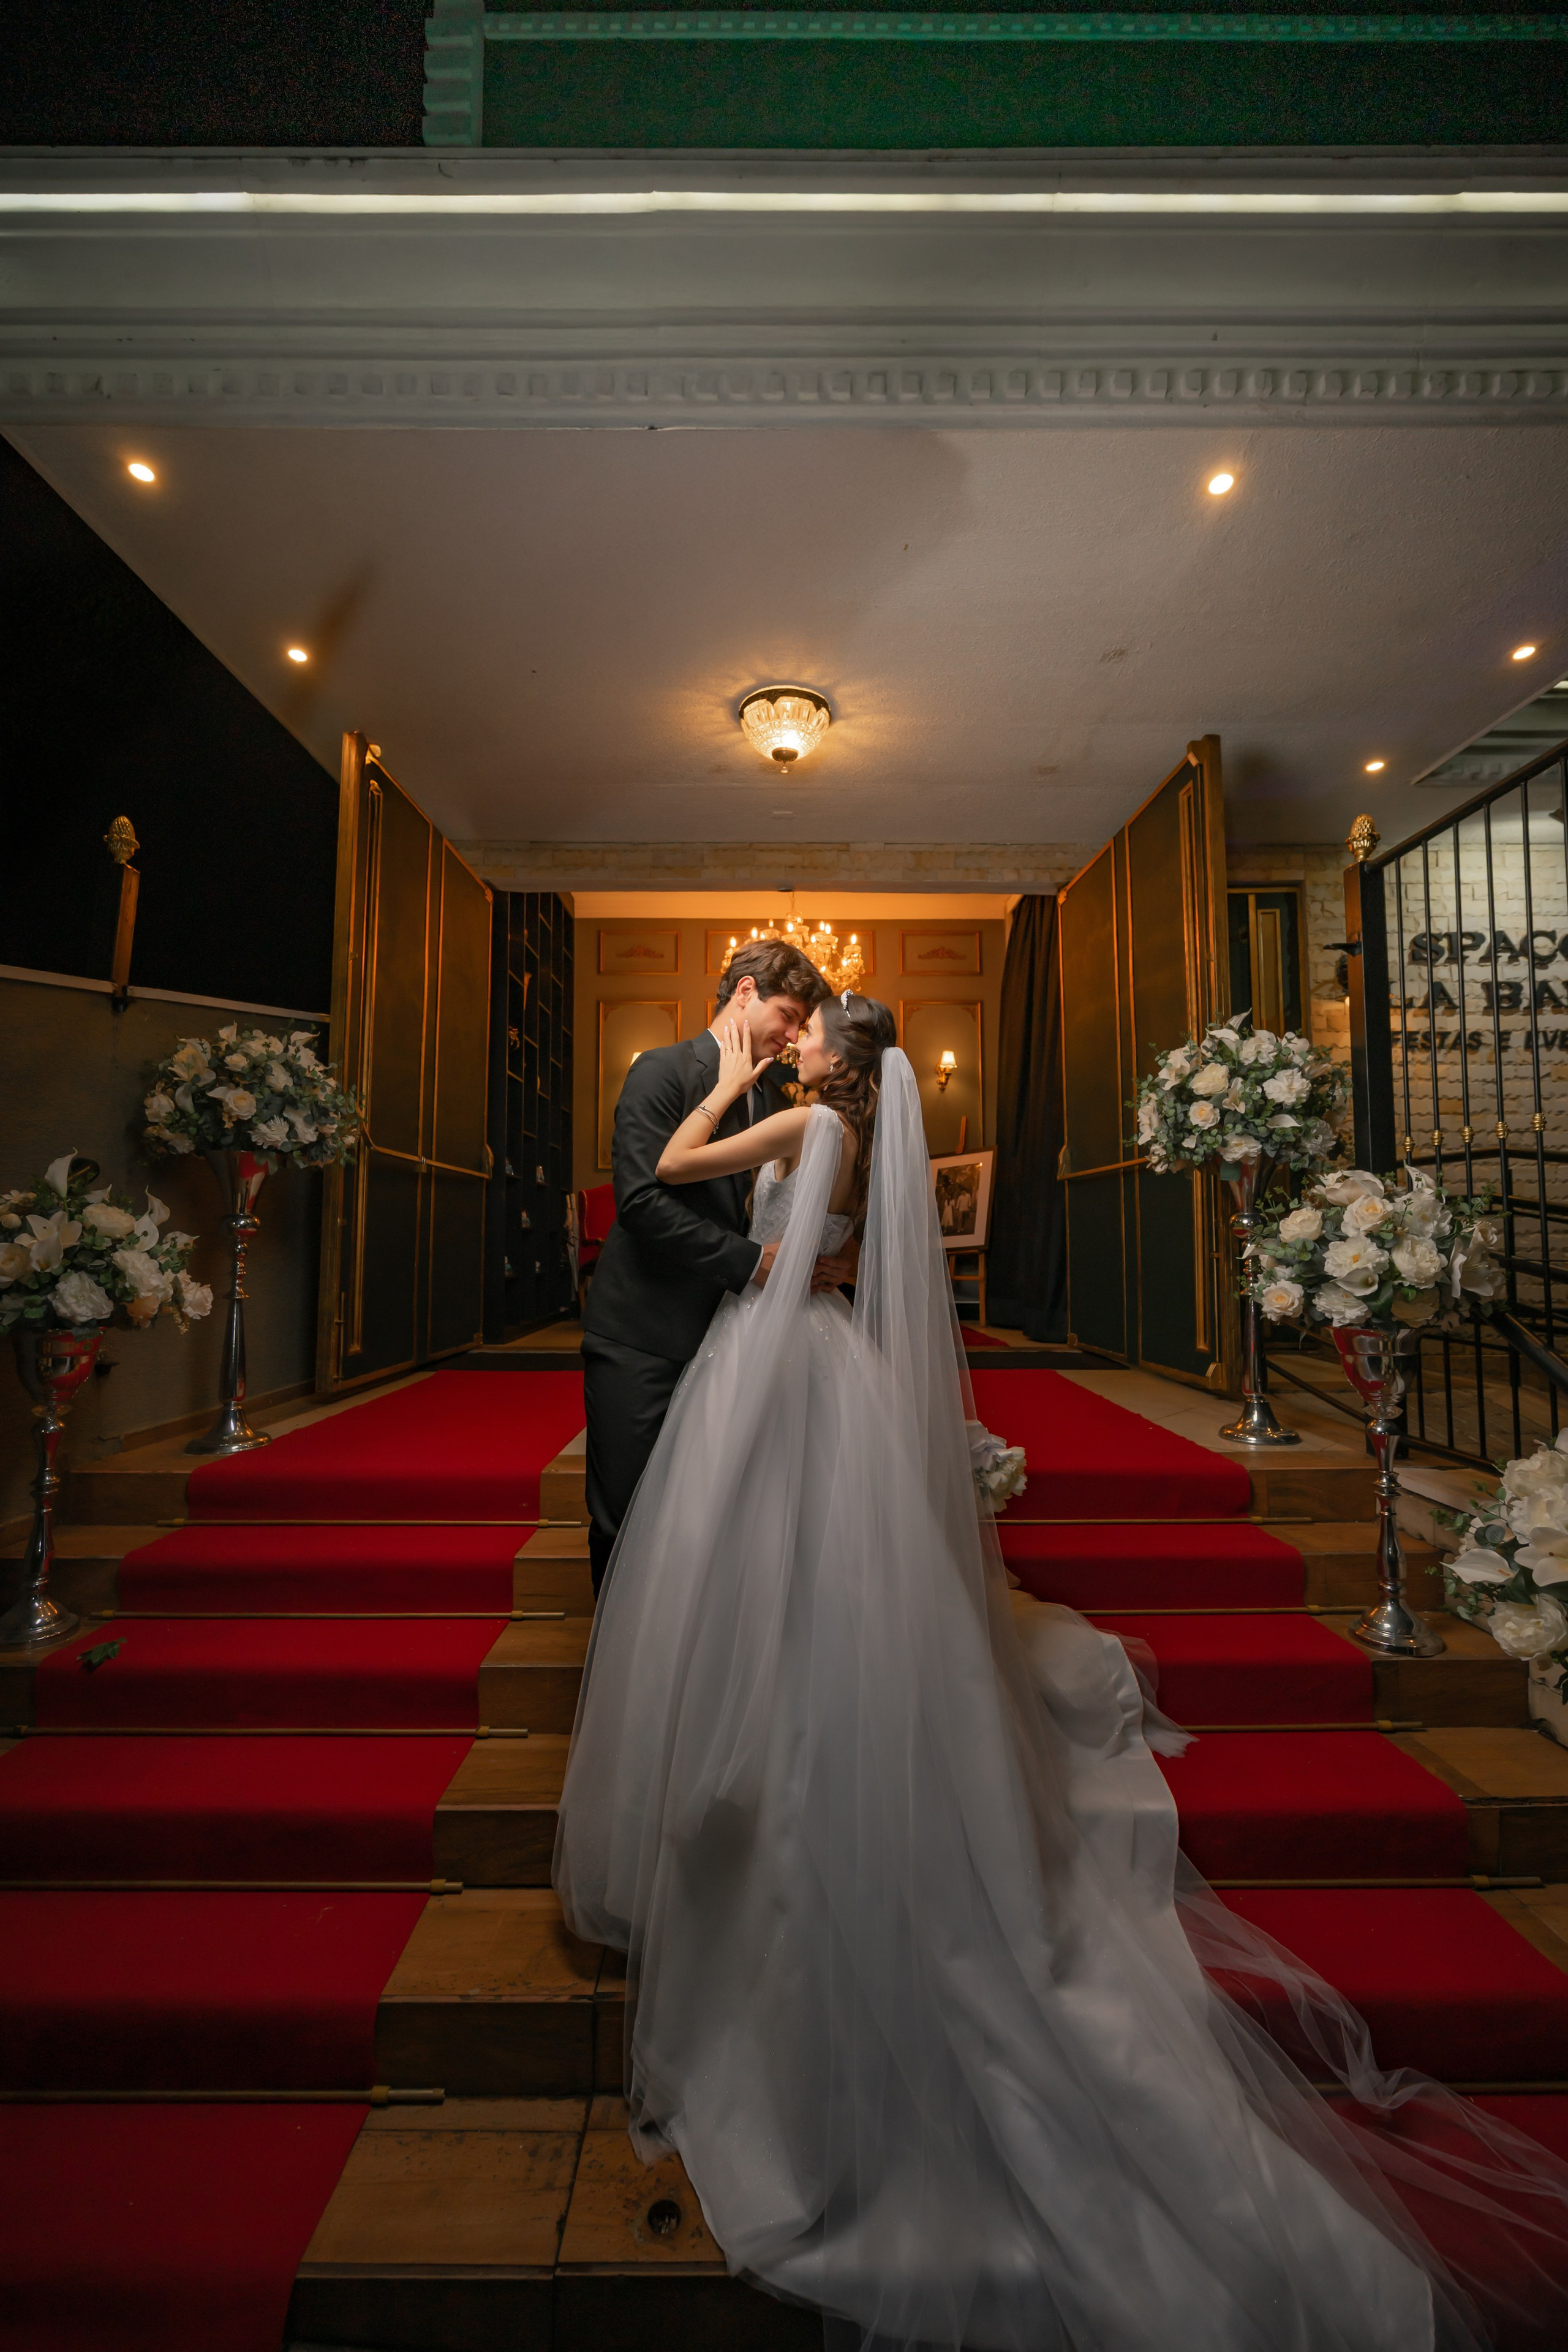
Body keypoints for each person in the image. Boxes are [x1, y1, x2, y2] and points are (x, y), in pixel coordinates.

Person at [557, 992, 1568, 2352]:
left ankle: (764, 1770)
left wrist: (726, 1077)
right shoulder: (855, 1139)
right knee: (808, 1572)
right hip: (817, 1364)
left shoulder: (796, 1115)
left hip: (770, 1360)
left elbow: (671, 1169)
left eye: (803, 1038)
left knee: (750, 1565)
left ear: (835, 1064)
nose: (783, 1041)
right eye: (776, 1034)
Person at [581, 936, 843, 1596]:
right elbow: (640, 1201)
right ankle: (625, 1684)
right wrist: (755, 1262)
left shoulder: (780, 1096)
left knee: (710, 1516)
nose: (791, 1036)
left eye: (800, 1026)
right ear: (746, 991)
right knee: (628, 1513)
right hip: (644, 1331)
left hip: (729, 1341)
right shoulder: (661, 1071)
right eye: (787, 1014)